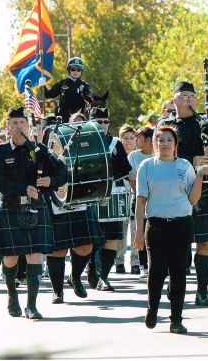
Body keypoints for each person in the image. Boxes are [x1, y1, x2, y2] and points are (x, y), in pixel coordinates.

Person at [159, 81, 208, 306]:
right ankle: (174, 284)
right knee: (176, 243)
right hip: (175, 188)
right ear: (174, 100)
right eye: (183, 96)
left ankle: (202, 290)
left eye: (192, 96)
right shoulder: (166, 125)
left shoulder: (207, 122)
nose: (189, 100)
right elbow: (160, 151)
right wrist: (187, 160)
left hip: (205, 186)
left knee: (206, 242)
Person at [0, 107, 66, 319]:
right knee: (11, 258)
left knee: (34, 255)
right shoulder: (1, 151)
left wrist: (51, 181)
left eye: (22, 122)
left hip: (35, 207)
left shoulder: (39, 150)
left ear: (28, 126)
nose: (18, 126)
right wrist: (23, 188)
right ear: (7, 127)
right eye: (14, 123)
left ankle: (31, 305)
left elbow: (62, 172)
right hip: (11, 207)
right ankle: (12, 295)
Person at [135, 125, 208, 334]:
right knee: (156, 271)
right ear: (155, 144)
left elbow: (193, 199)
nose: (165, 144)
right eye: (161, 140)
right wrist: (138, 232)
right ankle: (152, 308)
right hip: (157, 225)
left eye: (169, 140)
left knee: (179, 273)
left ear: (175, 144)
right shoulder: (147, 166)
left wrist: (199, 177)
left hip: (182, 224)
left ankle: (176, 319)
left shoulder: (184, 166)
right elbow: (141, 202)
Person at [45, 112, 106, 305]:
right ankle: (57, 291)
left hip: (82, 198)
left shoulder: (100, 144)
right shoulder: (49, 146)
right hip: (58, 198)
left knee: (85, 246)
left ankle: (75, 277)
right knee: (57, 249)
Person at [86, 107, 132, 292]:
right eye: (99, 122)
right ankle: (90, 269)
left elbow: (125, 169)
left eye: (106, 122)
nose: (104, 125)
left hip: (112, 194)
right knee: (90, 239)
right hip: (89, 195)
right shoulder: (84, 142)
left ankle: (103, 277)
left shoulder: (115, 143)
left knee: (111, 239)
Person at [127, 126, 154, 277]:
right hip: (138, 197)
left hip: (157, 197)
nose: (135, 141)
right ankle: (142, 265)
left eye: (138, 138)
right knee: (141, 230)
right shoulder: (133, 156)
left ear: (149, 140)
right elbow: (132, 178)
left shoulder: (158, 155)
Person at [115, 124, 137, 274]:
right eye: (125, 138)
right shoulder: (117, 155)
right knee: (121, 231)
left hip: (136, 196)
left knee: (136, 229)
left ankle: (135, 261)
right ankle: (119, 261)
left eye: (131, 138)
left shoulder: (138, 156)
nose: (128, 141)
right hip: (121, 194)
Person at [44, 57, 93, 123]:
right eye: (73, 69)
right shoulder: (63, 84)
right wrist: (42, 86)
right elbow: (48, 94)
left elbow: (90, 101)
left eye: (78, 70)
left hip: (80, 120)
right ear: (68, 70)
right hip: (63, 120)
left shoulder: (85, 86)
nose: (76, 72)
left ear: (81, 71)